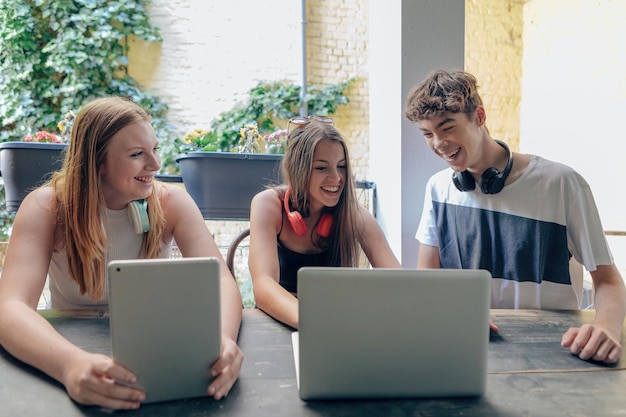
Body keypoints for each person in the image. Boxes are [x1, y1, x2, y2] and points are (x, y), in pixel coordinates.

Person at [0, 96, 244, 409]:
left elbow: (222, 283)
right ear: (97, 163)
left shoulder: (173, 203)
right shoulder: (46, 207)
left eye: (155, 149)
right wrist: (69, 365)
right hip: (71, 342)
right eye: (137, 154)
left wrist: (221, 341)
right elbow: (9, 307)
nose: (155, 164)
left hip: (157, 353)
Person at [404, 69, 626, 364]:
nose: (438, 143)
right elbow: (428, 280)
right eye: (428, 134)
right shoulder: (438, 188)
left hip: (553, 353)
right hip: (467, 351)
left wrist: (607, 326)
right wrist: (451, 311)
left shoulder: (562, 184)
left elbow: (608, 281)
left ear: (480, 117)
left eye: (447, 128)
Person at [248, 116, 401, 329]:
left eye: (341, 167)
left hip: (332, 324)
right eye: (321, 168)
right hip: (281, 324)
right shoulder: (267, 204)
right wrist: (315, 323)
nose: (336, 178)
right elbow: (264, 287)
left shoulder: (355, 215)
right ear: (297, 169)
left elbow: (400, 284)